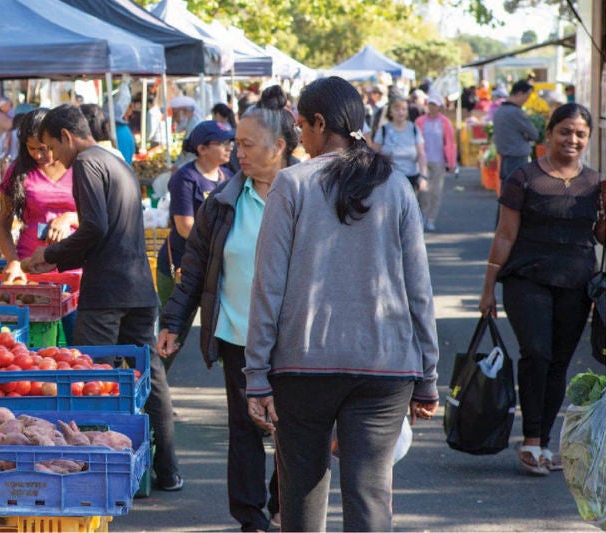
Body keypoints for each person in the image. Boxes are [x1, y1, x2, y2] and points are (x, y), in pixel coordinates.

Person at [244, 77, 439, 532]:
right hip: (386, 367)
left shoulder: (292, 184)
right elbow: (419, 289)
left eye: (301, 127)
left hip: (303, 367)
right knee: (371, 493)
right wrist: (427, 376)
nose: (299, 138)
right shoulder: (395, 185)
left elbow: (267, 286)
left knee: (302, 495)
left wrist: (256, 376)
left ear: (319, 123)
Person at [158, 86, 296, 532]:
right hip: (237, 332)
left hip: (295, 339)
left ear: (279, 148)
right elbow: (195, 268)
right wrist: (174, 322)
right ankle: (250, 518)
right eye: (235, 143)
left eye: (248, 145)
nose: (238, 153)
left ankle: (283, 507)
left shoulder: (307, 196)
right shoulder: (224, 203)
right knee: (245, 430)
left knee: (290, 431)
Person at [26, 105, 182, 492]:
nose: (54, 159)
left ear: (66, 136)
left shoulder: (86, 165)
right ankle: (169, 469)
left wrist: (51, 255)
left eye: (51, 147)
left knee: (90, 375)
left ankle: (91, 469)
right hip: (139, 287)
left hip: (108, 290)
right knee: (151, 377)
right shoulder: (116, 162)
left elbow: (94, 227)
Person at [479, 103, 604, 476]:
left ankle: (544, 442)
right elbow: (504, 235)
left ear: (588, 140)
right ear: (548, 133)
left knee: (559, 362)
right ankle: (530, 440)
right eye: (565, 131)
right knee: (536, 352)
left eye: (580, 134)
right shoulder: (524, 178)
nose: (572, 139)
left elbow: (601, 237)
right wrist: (488, 290)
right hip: (526, 279)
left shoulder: (596, 183)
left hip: (577, 283)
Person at [156, 121, 234, 309]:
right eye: (222, 143)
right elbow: (184, 227)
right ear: (202, 149)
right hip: (181, 263)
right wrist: (218, 246)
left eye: (230, 142)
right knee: (175, 330)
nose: (229, 147)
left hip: (214, 266)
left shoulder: (228, 176)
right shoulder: (185, 178)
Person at [0, 109, 78, 283]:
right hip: (31, 264)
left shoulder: (79, 167)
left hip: (75, 265)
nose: (38, 155)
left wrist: (69, 218)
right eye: (31, 148)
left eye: (43, 149)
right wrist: (13, 260)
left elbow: (98, 219)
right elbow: (3, 224)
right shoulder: (17, 171)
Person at [415, 94, 457, 231]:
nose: (432, 107)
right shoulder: (420, 121)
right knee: (423, 192)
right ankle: (422, 216)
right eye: (430, 104)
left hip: (439, 161)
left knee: (436, 192)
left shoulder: (445, 122)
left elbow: (450, 143)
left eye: (435, 104)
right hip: (423, 161)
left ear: (439, 107)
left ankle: (431, 218)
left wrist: (451, 162)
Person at [371, 96, 428, 195]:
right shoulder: (384, 130)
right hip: (388, 180)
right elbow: (374, 154)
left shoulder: (414, 129)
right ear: (390, 112)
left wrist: (423, 176)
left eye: (403, 109)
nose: (401, 112)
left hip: (410, 178)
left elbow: (421, 154)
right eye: (397, 109)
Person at [492, 80, 539, 182]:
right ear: (519, 94)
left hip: (505, 157)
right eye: (527, 96)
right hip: (517, 157)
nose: (527, 100)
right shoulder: (516, 113)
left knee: (507, 190)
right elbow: (534, 134)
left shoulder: (499, 111)